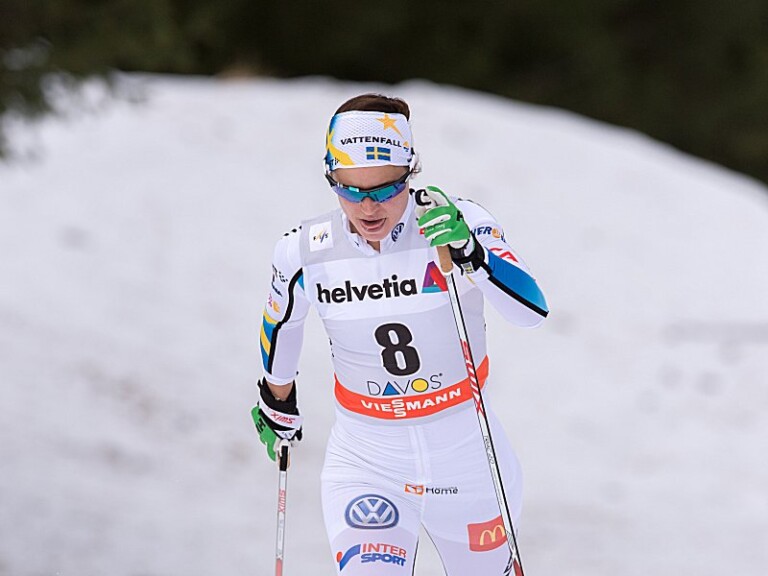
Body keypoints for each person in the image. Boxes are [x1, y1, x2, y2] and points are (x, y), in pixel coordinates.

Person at [252, 93, 549, 575]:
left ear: (411, 174)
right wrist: (276, 399)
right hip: (369, 463)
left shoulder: (456, 223)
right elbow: (282, 322)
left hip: (468, 462)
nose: (368, 207)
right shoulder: (304, 250)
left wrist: (473, 256)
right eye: (350, 191)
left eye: (385, 190)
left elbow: (531, 310)